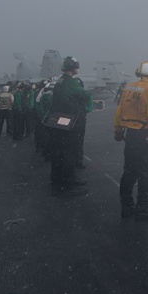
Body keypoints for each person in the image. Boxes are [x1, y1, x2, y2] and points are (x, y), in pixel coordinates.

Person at [114, 61, 148, 220]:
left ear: (139, 73)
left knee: (129, 170)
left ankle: (126, 207)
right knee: (145, 172)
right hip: (145, 135)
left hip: (130, 135)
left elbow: (119, 112)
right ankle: (143, 207)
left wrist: (118, 131)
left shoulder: (129, 88)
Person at [48, 57, 93, 196]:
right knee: (68, 152)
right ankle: (66, 186)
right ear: (74, 67)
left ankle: (59, 179)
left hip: (58, 118)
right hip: (68, 119)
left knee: (59, 151)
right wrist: (86, 106)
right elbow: (85, 95)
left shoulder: (60, 81)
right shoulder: (71, 82)